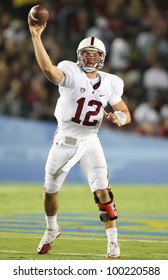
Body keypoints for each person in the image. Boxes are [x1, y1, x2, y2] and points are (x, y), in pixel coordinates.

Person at [28, 16, 131, 259]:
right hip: (64, 140)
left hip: (90, 140)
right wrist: (36, 36)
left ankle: (113, 242)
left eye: (95, 54)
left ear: (103, 58)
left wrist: (121, 118)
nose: (91, 58)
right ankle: (52, 228)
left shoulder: (111, 82)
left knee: (103, 190)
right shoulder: (70, 71)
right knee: (50, 191)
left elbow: (125, 111)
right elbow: (48, 71)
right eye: (87, 53)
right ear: (78, 55)